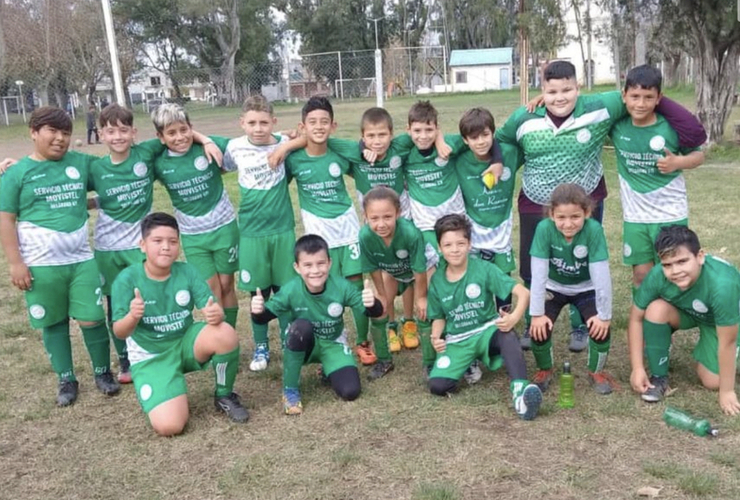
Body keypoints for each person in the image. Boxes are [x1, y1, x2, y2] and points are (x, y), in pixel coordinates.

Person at [497, 60, 707, 353]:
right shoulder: (525, 116)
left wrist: (658, 96)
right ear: (542, 90)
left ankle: (581, 325)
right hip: (536, 202)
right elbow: (503, 141)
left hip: (585, 202)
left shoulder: (602, 106)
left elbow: (641, 98)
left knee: (583, 264)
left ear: (578, 88)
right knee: (533, 267)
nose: (560, 97)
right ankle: (538, 321)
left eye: (567, 90)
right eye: (552, 91)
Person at [89, 103, 221, 384]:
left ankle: (157, 347)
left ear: (134, 132)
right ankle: (126, 359)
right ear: (101, 135)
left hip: (139, 244)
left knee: (150, 294)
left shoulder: (147, 152)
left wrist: (206, 139)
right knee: (118, 304)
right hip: (107, 247)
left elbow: (176, 132)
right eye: (110, 131)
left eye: (123, 130)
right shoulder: (94, 167)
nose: (117, 137)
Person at [0, 106, 119, 406]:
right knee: (53, 323)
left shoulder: (80, 163)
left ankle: (103, 373)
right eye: (52, 131)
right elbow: (6, 220)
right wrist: (16, 263)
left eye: (65, 133)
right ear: (34, 133)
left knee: (92, 319)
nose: (60, 139)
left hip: (81, 261)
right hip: (41, 267)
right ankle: (66, 379)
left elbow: (117, 168)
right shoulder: (16, 173)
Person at [112, 213, 247, 435]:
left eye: (172, 241)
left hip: (185, 342)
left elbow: (213, 308)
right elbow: (119, 331)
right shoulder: (127, 279)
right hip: (151, 355)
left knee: (224, 333)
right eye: (158, 241)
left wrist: (215, 314)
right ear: (142, 245)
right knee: (170, 427)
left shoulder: (187, 271)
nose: (166, 247)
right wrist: (132, 316)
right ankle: (167, 386)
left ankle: (224, 395)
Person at [283, 96, 375, 366]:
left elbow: (364, 147)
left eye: (324, 121)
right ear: (303, 126)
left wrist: (367, 149)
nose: (319, 127)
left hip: (347, 226)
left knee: (355, 283)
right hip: (319, 232)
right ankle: (330, 338)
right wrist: (285, 145)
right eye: (312, 122)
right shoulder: (295, 158)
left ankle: (363, 341)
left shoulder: (339, 149)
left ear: (333, 126)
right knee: (323, 286)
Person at [250, 234, 384, 415]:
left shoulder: (342, 286)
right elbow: (263, 317)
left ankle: (327, 369)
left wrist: (372, 303)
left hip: (333, 342)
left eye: (320, 263)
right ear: (297, 267)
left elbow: (374, 312)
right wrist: (257, 311)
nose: (315, 271)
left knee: (350, 392)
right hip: (303, 342)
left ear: (329, 263)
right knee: (301, 327)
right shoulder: (291, 289)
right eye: (308, 265)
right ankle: (290, 390)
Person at [426, 214, 541, 420]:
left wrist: (514, 318)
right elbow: (439, 317)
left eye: (460, 243)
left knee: (507, 334)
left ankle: (520, 392)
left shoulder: (484, 269)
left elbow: (523, 293)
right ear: (440, 247)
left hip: (486, 331)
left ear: (469, 244)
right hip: (458, 340)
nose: (455, 249)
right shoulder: (436, 280)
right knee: (438, 385)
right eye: (448, 244)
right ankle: (469, 363)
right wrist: (436, 337)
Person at [222, 95, 303, 372]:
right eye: (252, 123)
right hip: (252, 233)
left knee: (284, 290)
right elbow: (216, 160)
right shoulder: (234, 147)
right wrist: (206, 140)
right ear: (242, 123)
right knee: (258, 293)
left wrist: (286, 146)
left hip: (282, 230)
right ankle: (260, 346)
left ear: (274, 123)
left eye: (264, 122)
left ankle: (286, 339)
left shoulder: (282, 142)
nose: (258, 128)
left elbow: (304, 138)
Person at [628, 225, 740, 415]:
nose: (675, 270)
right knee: (655, 310)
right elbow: (635, 318)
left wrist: (727, 391)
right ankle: (659, 377)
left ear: (700, 256)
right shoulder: (657, 276)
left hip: (728, 320)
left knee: (713, 381)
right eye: (667, 265)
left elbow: (727, 342)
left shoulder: (722, 286)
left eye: (682, 261)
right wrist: (637, 368)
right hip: (695, 311)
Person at [610, 64, 704, 289]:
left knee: (672, 270)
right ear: (624, 96)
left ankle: (667, 316)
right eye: (635, 96)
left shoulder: (669, 128)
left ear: (659, 98)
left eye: (648, 97)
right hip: (635, 216)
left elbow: (699, 155)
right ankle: (642, 318)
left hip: (670, 212)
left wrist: (678, 162)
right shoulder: (617, 126)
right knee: (642, 275)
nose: (640, 104)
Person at [151, 104, 240, 331]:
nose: (180, 137)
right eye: (171, 133)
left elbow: (248, 145)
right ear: (160, 137)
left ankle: (229, 332)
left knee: (227, 284)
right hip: (193, 236)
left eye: (184, 130)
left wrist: (206, 140)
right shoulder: (159, 162)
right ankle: (220, 338)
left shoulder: (207, 147)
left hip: (224, 228)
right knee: (210, 288)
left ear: (191, 128)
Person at [528, 184, 615, 394]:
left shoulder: (593, 230)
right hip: (553, 287)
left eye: (575, 216)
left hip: (585, 289)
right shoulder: (544, 229)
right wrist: (536, 313)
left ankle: (596, 372)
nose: (568, 224)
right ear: (551, 215)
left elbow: (601, 275)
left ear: (587, 212)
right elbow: (538, 275)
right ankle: (544, 370)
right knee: (539, 330)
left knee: (600, 329)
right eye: (561, 217)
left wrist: (604, 315)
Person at [359, 186, 438, 378]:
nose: (381, 224)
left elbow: (419, 270)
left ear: (398, 213)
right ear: (365, 216)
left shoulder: (410, 233)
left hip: (423, 269)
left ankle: (430, 363)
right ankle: (384, 360)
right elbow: (373, 269)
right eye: (374, 218)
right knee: (378, 310)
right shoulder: (365, 236)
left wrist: (421, 297)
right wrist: (382, 296)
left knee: (427, 310)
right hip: (392, 270)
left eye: (387, 217)